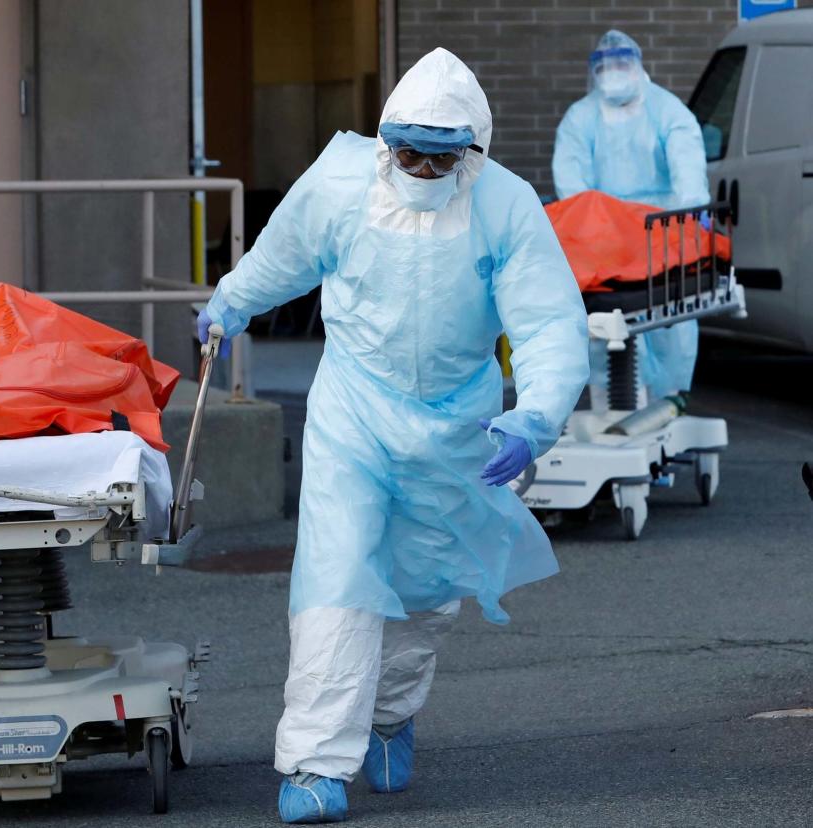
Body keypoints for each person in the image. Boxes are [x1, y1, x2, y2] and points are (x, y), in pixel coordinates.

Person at [197, 49, 588, 823]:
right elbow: (283, 256)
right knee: (336, 581)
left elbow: (548, 322)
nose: (418, 167)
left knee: (424, 596)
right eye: (405, 150)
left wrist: (532, 417)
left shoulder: (505, 206)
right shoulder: (342, 181)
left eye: (438, 156)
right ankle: (314, 764)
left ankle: (389, 716)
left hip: (456, 425)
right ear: (384, 141)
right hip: (354, 412)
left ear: (471, 150)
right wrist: (230, 301)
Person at [552, 30, 711, 401]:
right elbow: (572, 184)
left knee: (669, 329)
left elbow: (689, 174)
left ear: (638, 66)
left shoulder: (668, 113)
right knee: (602, 332)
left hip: (661, 236)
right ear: (595, 72)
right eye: (605, 67)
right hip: (605, 241)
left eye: (621, 64)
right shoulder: (581, 118)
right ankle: (609, 405)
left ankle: (669, 399)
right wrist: (597, 225)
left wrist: (691, 217)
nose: (613, 72)